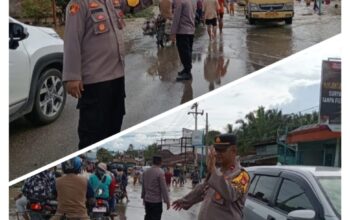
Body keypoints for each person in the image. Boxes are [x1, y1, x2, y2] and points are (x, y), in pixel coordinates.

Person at [63, 0, 127, 149]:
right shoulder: (78, 4)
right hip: (95, 82)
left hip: (117, 77)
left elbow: (133, 4)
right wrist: (72, 76)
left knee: (114, 125)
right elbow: (72, 39)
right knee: (92, 132)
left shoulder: (113, 2)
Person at [172, 134, 250, 220]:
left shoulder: (242, 175)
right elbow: (203, 189)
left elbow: (231, 194)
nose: (217, 154)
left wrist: (213, 170)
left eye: (222, 150)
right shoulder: (218, 171)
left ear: (233, 151)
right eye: (216, 150)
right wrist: (185, 201)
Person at [170, 0, 196, 81]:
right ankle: (186, 69)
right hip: (190, 30)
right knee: (188, 51)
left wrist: (173, 32)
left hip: (182, 31)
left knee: (184, 52)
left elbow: (176, 18)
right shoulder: (191, 1)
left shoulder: (180, 2)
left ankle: (187, 73)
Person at [141, 156, 170, 220]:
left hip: (147, 200)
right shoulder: (160, 172)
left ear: (152, 162)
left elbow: (143, 186)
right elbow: (164, 188)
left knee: (148, 217)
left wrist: (143, 197)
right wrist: (167, 201)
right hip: (156, 202)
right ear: (160, 162)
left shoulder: (145, 172)